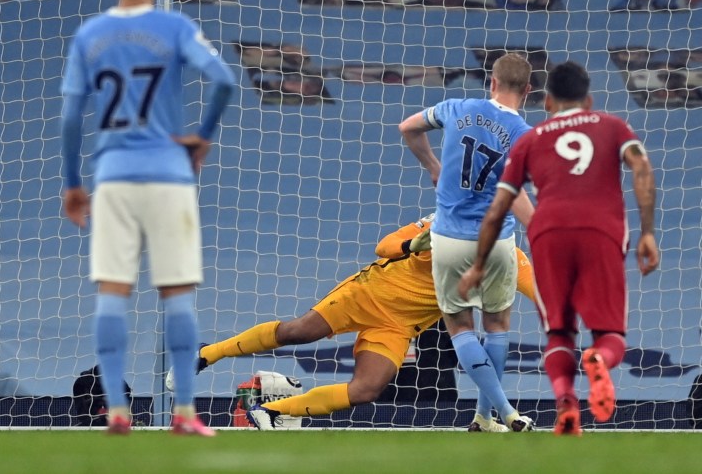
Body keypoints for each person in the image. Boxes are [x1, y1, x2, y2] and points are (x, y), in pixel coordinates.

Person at [60, 0, 236, 436]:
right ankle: (183, 412)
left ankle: (116, 409)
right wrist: (202, 135)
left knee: (113, 294)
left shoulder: (91, 34)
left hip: (113, 176)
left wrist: (73, 183)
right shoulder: (175, 26)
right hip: (168, 175)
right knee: (177, 295)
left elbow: (72, 115)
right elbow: (223, 81)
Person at [170, 214, 537, 431]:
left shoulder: (511, 258)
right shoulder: (443, 224)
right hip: (367, 294)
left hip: (397, 328)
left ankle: (269, 411)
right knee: (299, 332)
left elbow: (541, 293)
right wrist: (413, 246)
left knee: (365, 390)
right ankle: (205, 354)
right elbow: (385, 245)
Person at [459, 61, 659, 436]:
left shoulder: (531, 139)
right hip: (601, 231)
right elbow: (641, 167)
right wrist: (647, 232)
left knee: (558, 335)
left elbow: (499, 207)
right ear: (590, 98)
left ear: (547, 101)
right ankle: (599, 358)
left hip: (548, 234)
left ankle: (566, 401)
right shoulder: (613, 126)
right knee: (609, 333)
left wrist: (478, 264)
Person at [398, 52, 536, 432]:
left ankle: (496, 414)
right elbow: (519, 195)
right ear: (527, 90)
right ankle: (494, 414)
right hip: (497, 242)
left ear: (491, 81)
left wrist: (432, 166)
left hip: (449, 238)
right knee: (497, 326)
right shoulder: (525, 136)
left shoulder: (457, 107)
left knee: (459, 328)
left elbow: (407, 127)